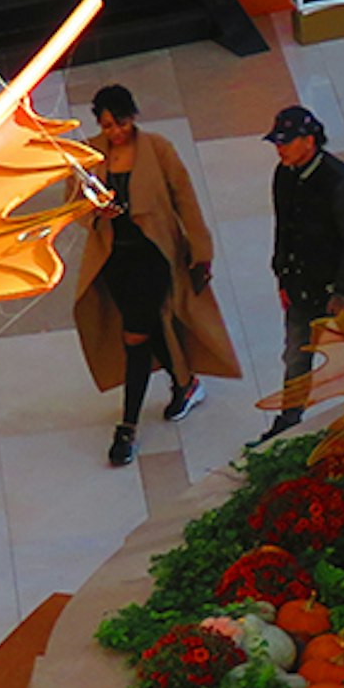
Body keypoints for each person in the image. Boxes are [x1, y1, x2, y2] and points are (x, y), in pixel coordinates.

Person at [71, 83, 239, 466]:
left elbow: (185, 200)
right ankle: (185, 382)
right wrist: (96, 210)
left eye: (122, 122)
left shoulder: (158, 150)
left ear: (133, 117)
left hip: (154, 257)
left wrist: (201, 250)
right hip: (114, 259)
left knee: (134, 336)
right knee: (145, 330)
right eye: (108, 125)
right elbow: (74, 201)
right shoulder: (91, 156)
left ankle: (127, 428)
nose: (116, 132)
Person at [262, 102, 344, 437]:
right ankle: (288, 419)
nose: (279, 148)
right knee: (296, 356)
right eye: (277, 142)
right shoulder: (284, 175)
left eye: (285, 141)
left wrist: (342, 290)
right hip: (300, 287)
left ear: (309, 141)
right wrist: (282, 275)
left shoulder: (340, 182)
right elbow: (283, 229)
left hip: (340, 291)